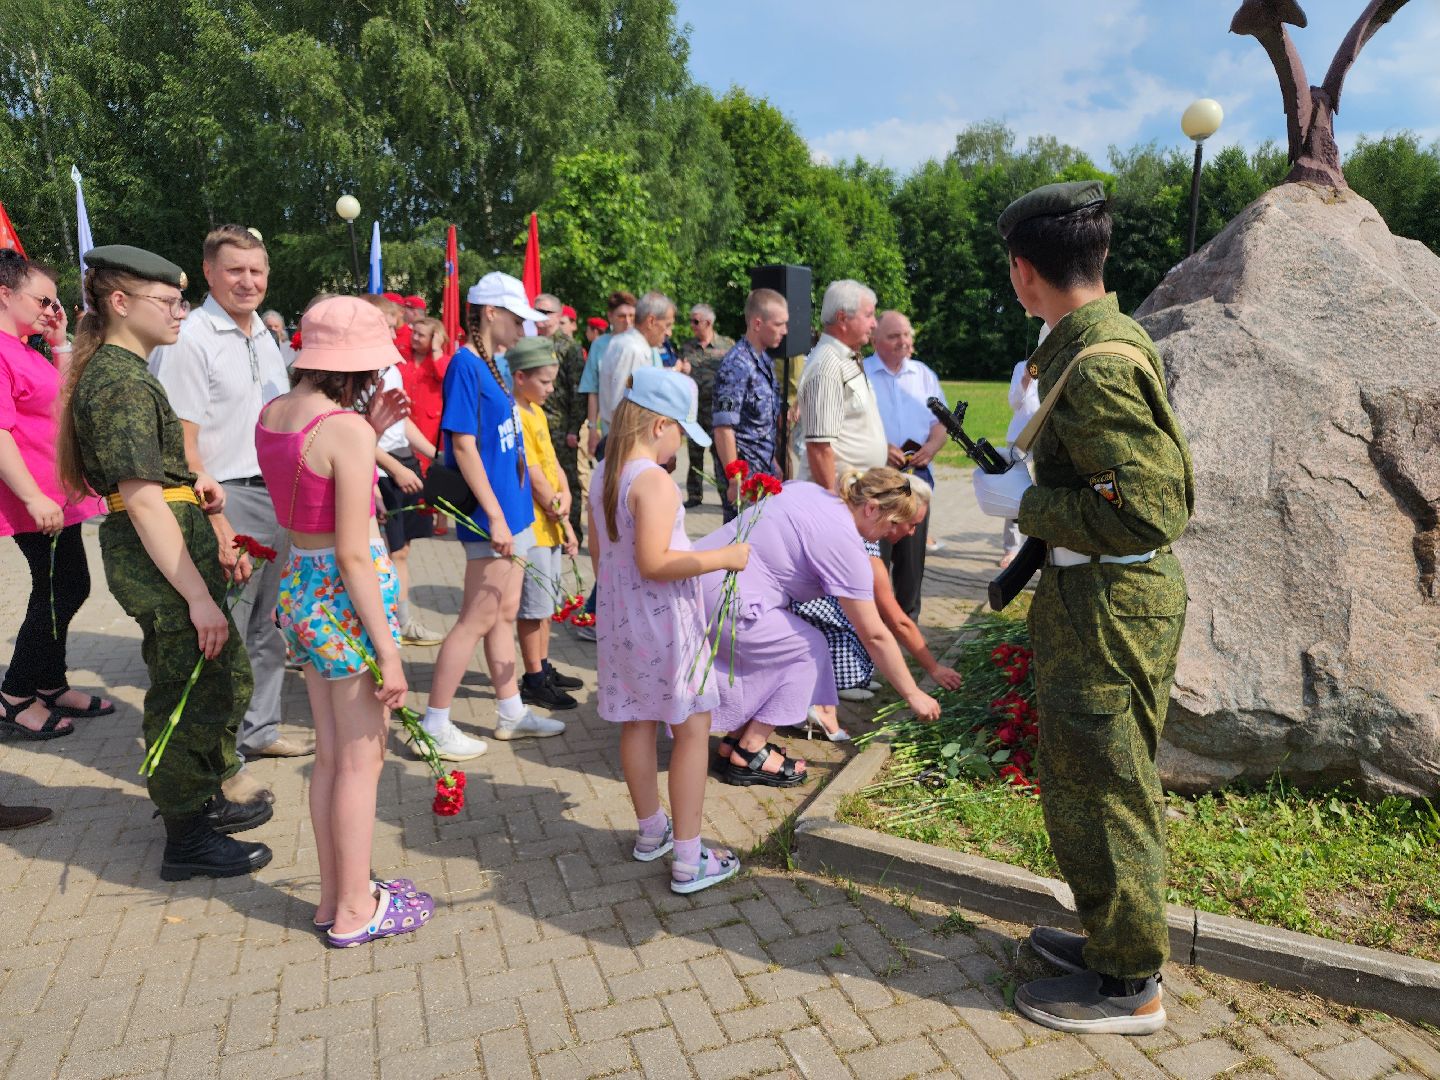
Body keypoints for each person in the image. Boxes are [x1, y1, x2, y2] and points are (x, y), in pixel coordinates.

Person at [974, 180, 1194, 1035]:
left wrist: (1025, 504)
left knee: (1107, 789)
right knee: (1085, 777)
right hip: (1093, 596)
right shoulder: (1101, 336)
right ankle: (1110, 942)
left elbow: (1149, 509)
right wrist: (1031, 483)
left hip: (1109, 600)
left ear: (1024, 271)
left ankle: (1131, 983)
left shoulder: (1096, 361)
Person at [59, 243, 272, 881]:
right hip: (160, 556)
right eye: (168, 302)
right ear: (120, 303)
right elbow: (143, 500)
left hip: (174, 542)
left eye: (181, 301)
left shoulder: (130, 370)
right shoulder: (120, 381)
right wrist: (197, 598)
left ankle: (202, 797)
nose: (181, 312)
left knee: (218, 677)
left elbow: (159, 484)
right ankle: (186, 835)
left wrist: (196, 490)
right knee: (189, 685)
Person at [257, 296, 435, 945]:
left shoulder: (273, 413)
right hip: (345, 596)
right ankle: (357, 910)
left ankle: (335, 896)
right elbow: (355, 552)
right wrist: (389, 651)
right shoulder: (346, 430)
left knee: (333, 758)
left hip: (303, 587)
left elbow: (313, 485)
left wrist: (366, 428)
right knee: (362, 761)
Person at [150, 225, 308, 801]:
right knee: (227, 631)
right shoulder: (191, 338)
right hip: (227, 498)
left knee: (268, 624)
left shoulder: (265, 336)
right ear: (209, 273)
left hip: (277, 494)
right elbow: (181, 440)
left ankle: (259, 730)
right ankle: (220, 760)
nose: (248, 281)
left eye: (256, 270)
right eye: (235, 270)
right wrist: (216, 520)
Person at [588, 367, 749, 894]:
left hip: (622, 620)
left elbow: (600, 554)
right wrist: (723, 556)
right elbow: (655, 561)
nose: (681, 442)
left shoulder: (603, 474)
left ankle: (651, 829)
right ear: (660, 425)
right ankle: (687, 858)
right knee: (693, 727)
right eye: (681, 430)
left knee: (637, 721)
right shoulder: (653, 481)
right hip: (666, 625)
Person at [693, 468, 941, 787]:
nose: (898, 533)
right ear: (871, 508)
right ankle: (750, 750)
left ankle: (734, 740)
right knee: (808, 649)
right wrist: (913, 694)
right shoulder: (846, 544)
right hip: (726, 598)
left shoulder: (809, 491)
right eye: (893, 523)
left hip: (696, 578)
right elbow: (875, 634)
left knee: (781, 644)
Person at [421, 272, 564, 760]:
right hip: (492, 518)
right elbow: (462, 445)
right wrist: (496, 517)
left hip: (514, 512)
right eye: (518, 319)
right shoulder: (465, 364)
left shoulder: (493, 364)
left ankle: (511, 711)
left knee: (503, 613)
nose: (524, 329)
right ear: (490, 313)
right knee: (474, 619)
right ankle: (434, 723)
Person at [0, 250, 111, 755]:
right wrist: (31, 496)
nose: (51, 309)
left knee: (66, 587)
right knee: (61, 589)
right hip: (34, 502)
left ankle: (50, 684)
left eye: (54, 302)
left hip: (56, 495)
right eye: (42, 300)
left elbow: (64, 405)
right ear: (6, 294)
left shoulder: (25, 348)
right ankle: (15, 694)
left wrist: (61, 341)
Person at [790, 479, 963, 739]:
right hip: (789, 611)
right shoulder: (865, 547)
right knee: (855, 627)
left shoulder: (859, 529)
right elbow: (895, 622)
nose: (913, 533)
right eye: (912, 524)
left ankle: (825, 694)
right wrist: (931, 671)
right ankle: (812, 701)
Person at [508, 336, 583, 711]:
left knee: (547, 605)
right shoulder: (516, 415)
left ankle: (543, 665)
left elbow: (552, 462)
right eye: (545, 381)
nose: (551, 389)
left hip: (551, 520)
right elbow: (534, 473)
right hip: (536, 525)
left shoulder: (536, 410)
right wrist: (560, 512)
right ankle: (534, 678)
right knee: (533, 609)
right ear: (520, 377)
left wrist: (566, 494)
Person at [864, 310, 946, 622]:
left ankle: (908, 621)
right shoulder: (861, 374)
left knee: (911, 562)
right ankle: (873, 624)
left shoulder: (923, 374)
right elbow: (850, 426)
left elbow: (941, 423)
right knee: (875, 558)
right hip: (876, 482)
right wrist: (881, 448)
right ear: (875, 340)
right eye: (894, 336)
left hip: (915, 481)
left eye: (907, 334)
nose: (903, 341)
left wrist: (932, 447)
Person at [370, 343, 444, 646]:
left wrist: (437, 455)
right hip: (380, 470)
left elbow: (401, 423)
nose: (393, 333)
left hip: (403, 463)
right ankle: (384, 626)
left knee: (401, 551)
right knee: (382, 554)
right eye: (386, 326)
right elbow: (357, 434)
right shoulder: (357, 370)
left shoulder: (392, 368)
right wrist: (379, 480)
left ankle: (401, 622)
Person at [794, 280, 883, 492]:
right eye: (868, 315)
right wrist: (833, 502)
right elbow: (818, 447)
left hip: (857, 493)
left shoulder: (846, 358)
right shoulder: (827, 366)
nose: (874, 324)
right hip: (840, 496)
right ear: (843, 318)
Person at [712, 288, 788, 522]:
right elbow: (723, 427)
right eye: (779, 324)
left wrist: (772, 462)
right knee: (741, 538)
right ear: (757, 323)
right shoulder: (737, 364)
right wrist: (735, 479)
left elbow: (762, 424)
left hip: (763, 471)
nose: (785, 331)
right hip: (745, 479)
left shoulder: (763, 360)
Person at [534, 293, 588, 542]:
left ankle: (571, 531)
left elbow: (578, 392)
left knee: (566, 479)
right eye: (537, 311)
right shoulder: (529, 343)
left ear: (558, 316)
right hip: (533, 422)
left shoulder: (569, 348)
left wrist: (574, 429)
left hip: (560, 426)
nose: (540, 316)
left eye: (545, 312)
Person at [678, 303, 734, 509]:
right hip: (694, 410)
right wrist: (682, 371)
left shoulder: (726, 345)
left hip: (717, 411)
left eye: (696, 321)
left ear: (708, 322)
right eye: (691, 321)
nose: (692, 325)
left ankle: (726, 494)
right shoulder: (687, 347)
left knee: (720, 455)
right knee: (694, 454)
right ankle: (694, 495)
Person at [1001, 326, 1045, 568]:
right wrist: (1026, 378)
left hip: (1048, 437)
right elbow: (1014, 402)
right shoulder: (1021, 366)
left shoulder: (1061, 364)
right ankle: (1012, 548)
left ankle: (1038, 548)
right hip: (1020, 437)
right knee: (1015, 491)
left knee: (1044, 492)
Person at [579, 291, 636, 457]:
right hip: (609, 429)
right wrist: (592, 430)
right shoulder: (599, 346)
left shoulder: (644, 345)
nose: (627, 322)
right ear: (610, 316)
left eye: (632, 316)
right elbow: (593, 390)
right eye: (622, 316)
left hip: (638, 429)